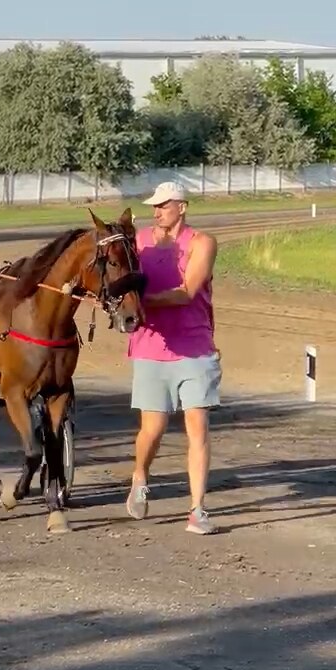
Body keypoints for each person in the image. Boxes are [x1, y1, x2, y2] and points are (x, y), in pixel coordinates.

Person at [126, 181, 222, 535]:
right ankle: (140, 476)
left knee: (197, 427)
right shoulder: (139, 242)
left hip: (195, 347)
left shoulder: (202, 243)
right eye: (154, 206)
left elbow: (186, 292)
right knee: (153, 429)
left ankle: (197, 509)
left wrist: (138, 303)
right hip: (151, 347)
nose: (157, 211)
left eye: (164, 205)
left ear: (182, 206)